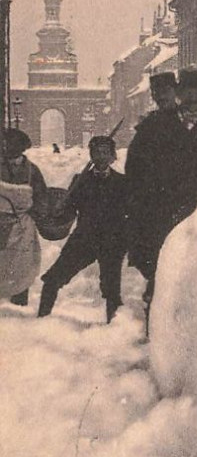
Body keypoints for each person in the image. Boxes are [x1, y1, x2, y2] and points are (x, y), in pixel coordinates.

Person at [125, 67, 197, 328]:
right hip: (159, 209)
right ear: (179, 93)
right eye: (187, 90)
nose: (193, 96)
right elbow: (136, 167)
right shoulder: (156, 125)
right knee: (159, 268)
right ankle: (157, 328)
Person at [37, 136, 128, 323]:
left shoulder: (122, 183)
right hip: (84, 239)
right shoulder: (80, 180)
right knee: (53, 279)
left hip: (112, 241)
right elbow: (69, 209)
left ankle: (113, 328)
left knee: (111, 289)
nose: (101, 157)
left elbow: (130, 214)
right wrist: (58, 211)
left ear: (113, 157)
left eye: (105, 152)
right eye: (97, 152)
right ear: (91, 155)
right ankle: (41, 321)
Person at [0, 129, 47, 305]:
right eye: (5, 143)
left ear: (21, 147)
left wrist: (38, 212)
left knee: (22, 265)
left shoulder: (32, 171)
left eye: (11, 143)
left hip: (22, 226)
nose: (7, 147)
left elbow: (41, 196)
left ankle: (19, 303)